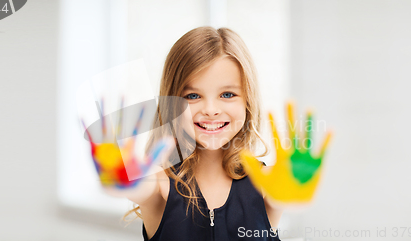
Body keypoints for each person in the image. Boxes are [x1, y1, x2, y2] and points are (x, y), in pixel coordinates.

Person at [102, 26, 283, 241]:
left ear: (248, 101)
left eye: (227, 94)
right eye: (193, 96)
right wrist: (122, 176)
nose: (210, 109)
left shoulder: (268, 183)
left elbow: (285, 197)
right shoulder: (158, 185)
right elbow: (139, 188)